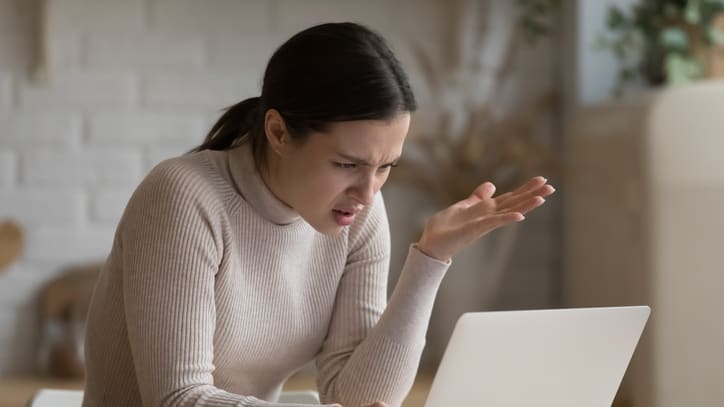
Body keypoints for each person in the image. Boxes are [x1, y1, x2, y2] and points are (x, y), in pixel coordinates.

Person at [82, 22, 554, 407]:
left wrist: (430, 259)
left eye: (386, 167)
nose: (367, 192)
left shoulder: (357, 214)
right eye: (347, 165)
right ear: (279, 133)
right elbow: (178, 399)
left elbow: (355, 397)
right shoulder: (184, 197)